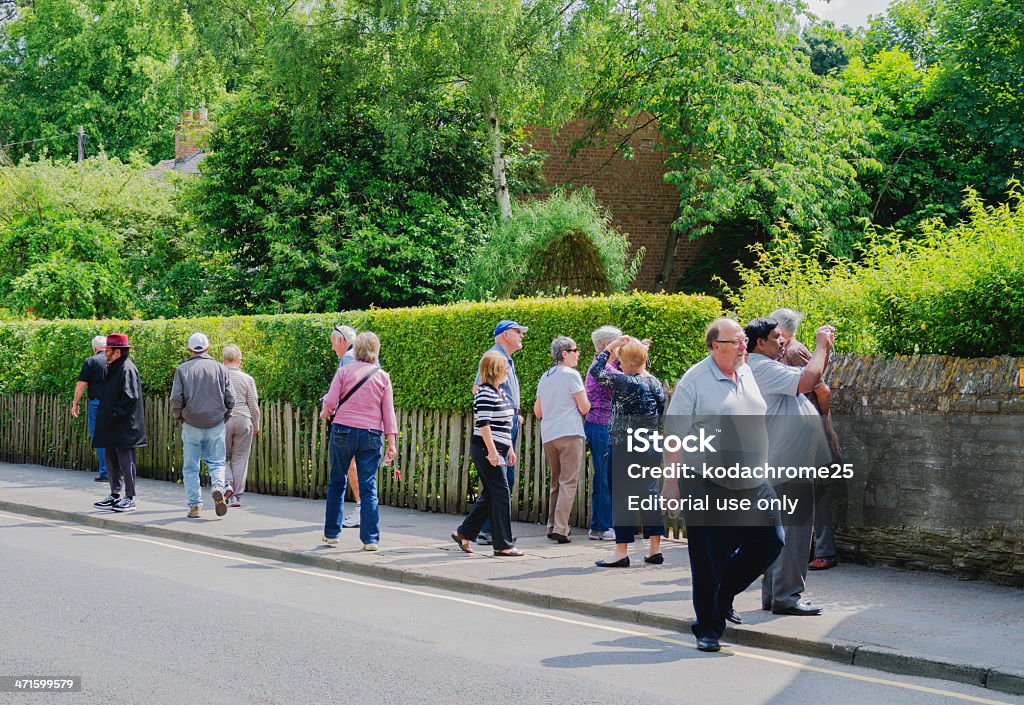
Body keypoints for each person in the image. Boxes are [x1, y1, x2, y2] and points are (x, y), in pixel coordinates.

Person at [665, 318, 785, 653]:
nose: (744, 346)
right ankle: (708, 628)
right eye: (737, 342)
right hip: (706, 483)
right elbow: (673, 436)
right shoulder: (695, 380)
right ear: (716, 346)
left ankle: (725, 593)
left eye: (744, 340)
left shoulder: (745, 371)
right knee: (709, 560)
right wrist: (670, 484)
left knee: (771, 540)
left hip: (754, 481)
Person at [745, 317, 834, 617]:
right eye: (776, 337)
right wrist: (821, 345)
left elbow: (810, 374)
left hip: (782, 461)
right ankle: (787, 596)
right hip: (786, 464)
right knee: (794, 534)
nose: (783, 341)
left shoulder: (765, 366)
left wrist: (824, 351)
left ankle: (775, 594)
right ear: (759, 343)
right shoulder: (761, 367)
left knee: (781, 534)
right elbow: (808, 381)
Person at [771, 307, 840, 571]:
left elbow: (821, 388)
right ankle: (805, 549)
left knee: (816, 491)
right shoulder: (779, 351)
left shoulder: (795, 351)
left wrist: (824, 423)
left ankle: (824, 550)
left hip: (807, 429)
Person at [588, 336, 666, 568]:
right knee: (649, 495)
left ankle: (621, 552)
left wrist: (610, 349)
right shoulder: (655, 383)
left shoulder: (627, 382)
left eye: (620, 361)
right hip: (650, 445)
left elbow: (596, 373)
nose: (618, 365)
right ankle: (654, 549)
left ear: (628, 363)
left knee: (622, 497)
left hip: (625, 446)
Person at [319, 332, 398, 550]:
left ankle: (332, 534)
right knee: (368, 485)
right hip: (371, 435)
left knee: (337, 481)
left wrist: (325, 411)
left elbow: (331, 401)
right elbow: (388, 412)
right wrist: (391, 443)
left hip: (343, 430)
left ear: (356, 350)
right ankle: (370, 539)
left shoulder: (343, 371)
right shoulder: (383, 376)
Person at [451, 351, 524, 557]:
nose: (508, 370)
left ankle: (464, 533)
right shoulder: (484, 392)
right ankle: (503, 544)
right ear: (495, 370)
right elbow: (484, 425)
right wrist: (493, 453)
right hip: (485, 449)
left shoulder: (498, 392)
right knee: (501, 493)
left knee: (491, 494)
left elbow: (504, 425)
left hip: (498, 449)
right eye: (505, 367)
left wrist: (508, 447)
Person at [472, 320, 527, 545]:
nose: (522, 336)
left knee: (503, 480)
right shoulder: (495, 357)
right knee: (499, 482)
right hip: (497, 430)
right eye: (518, 332)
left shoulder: (507, 359)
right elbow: (479, 389)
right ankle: (488, 531)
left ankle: (476, 531)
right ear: (505, 334)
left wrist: (514, 413)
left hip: (507, 422)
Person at [171, 332, 235, 519]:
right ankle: (217, 485)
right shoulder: (220, 369)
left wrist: (179, 416)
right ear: (207, 348)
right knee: (216, 462)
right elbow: (230, 397)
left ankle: (195, 505)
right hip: (216, 422)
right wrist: (226, 415)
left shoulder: (182, 369)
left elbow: (176, 398)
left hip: (191, 423)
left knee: (191, 466)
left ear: (190, 349)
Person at [534, 336, 590, 543]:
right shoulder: (572, 375)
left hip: (549, 434)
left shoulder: (545, 376)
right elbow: (584, 407)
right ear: (564, 354)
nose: (578, 354)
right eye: (575, 350)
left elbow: (537, 410)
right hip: (570, 432)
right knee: (569, 481)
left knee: (556, 481)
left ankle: (552, 526)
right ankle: (561, 528)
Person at [91, 334, 146, 513]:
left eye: (108, 350)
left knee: (125, 460)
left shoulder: (126, 369)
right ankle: (115, 494)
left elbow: (130, 398)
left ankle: (130, 497)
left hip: (125, 425)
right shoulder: (114, 367)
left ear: (117, 352)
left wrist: (113, 414)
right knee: (111, 459)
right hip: (112, 424)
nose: (105, 352)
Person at [584, 326, 622, 541]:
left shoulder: (607, 365)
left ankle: (603, 524)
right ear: (608, 346)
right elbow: (625, 377)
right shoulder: (602, 369)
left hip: (604, 426)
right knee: (604, 475)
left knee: (608, 474)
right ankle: (599, 526)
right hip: (600, 425)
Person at [331, 325, 364, 528]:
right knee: (363, 466)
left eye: (333, 343)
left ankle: (361, 508)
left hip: (352, 421)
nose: (333, 348)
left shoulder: (348, 358)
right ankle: (365, 510)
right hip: (368, 422)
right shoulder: (361, 356)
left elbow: (345, 389)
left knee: (350, 464)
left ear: (341, 341)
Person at [222, 345, 261, 508]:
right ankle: (236, 497)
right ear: (239, 360)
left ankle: (227, 484)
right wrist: (256, 424)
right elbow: (253, 404)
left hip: (224, 420)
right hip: (244, 420)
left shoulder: (220, 377)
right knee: (240, 459)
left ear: (223, 361)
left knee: (220, 456)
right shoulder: (247, 379)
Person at [71, 335, 108, 482]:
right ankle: (118, 470)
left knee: (99, 437)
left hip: (97, 403)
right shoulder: (117, 360)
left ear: (94, 348)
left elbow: (81, 385)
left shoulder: (91, 361)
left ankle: (105, 472)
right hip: (115, 404)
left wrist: (75, 403)